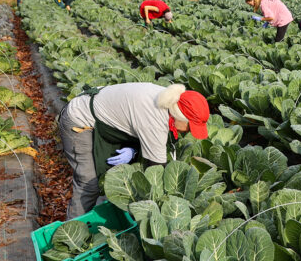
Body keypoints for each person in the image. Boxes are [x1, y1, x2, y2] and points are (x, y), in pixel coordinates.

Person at [59, 83, 210, 218]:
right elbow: (156, 171)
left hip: (106, 121)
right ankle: (73, 234)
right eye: (190, 126)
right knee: (88, 183)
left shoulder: (169, 99)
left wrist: (133, 150)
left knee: (112, 176)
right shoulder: (155, 119)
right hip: (80, 120)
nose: (189, 132)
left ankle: (102, 217)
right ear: (179, 116)